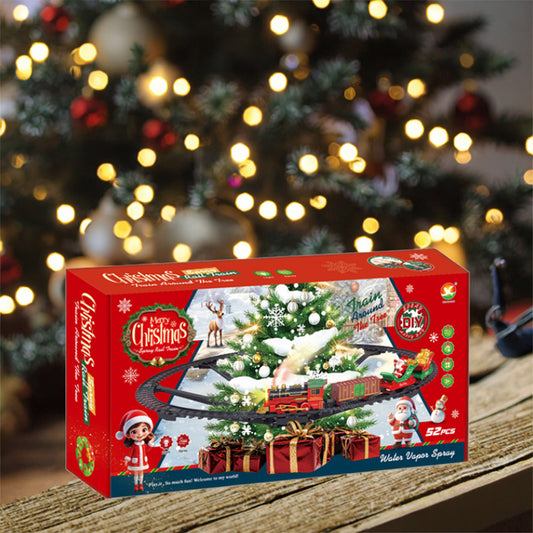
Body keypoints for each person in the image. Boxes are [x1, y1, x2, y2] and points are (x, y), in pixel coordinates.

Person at [116, 409, 156, 491]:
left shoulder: (143, 444)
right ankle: (135, 484)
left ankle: (140, 484)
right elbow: (130, 453)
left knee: (141, 472)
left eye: (144, 430)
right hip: (135, 462)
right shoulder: (134, 445)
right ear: (128, 435)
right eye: (134, 432)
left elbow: (146, 450)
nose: (140, 434)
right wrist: (127, 459)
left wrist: (150, 444)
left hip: (142, 461)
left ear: (149, 430)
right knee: (136, 473)